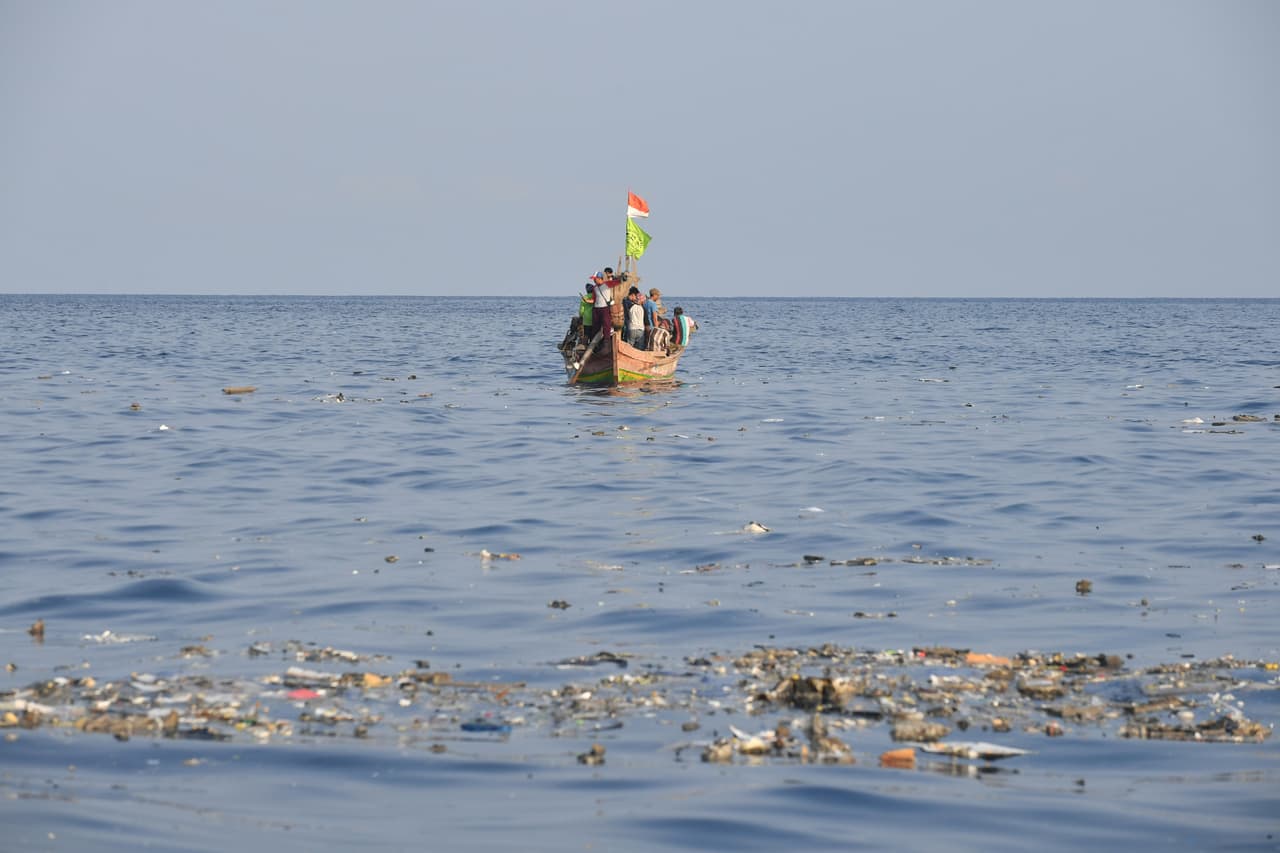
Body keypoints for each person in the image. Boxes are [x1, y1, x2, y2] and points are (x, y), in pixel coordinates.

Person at [591, 274, 614, 342]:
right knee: (601, 327)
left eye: (595, 279)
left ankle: (605, 341)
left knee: (605, 326)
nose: (594, 281)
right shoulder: (596, 288)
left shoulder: (607, 286)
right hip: (601, 310)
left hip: (605, 309)